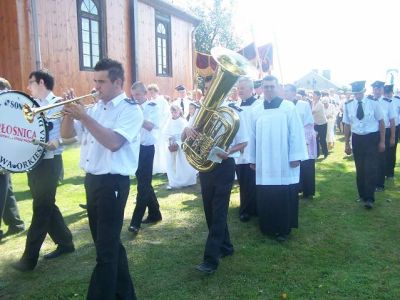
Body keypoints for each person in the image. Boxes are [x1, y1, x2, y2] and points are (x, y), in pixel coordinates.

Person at [61, 58, 141, 299]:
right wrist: (68, 111)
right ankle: (126, 294)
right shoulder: (94, 108)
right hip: (93, 182)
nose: (96, 86)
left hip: (113, 184)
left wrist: (84, 117)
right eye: (95, 81)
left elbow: (114, 143)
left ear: (117, 82)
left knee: (105, 252)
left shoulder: (130, 109)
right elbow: (66, 136)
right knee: (108, 245)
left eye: (101, 82)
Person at [12, 70, 74, 272]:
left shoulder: (58, 102)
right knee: (47, 205)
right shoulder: (32, 105)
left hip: (51, 161)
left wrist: (58, 141)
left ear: (41, 82)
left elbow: (69, 135)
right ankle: (66, 243)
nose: (28, 87)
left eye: (30, 83)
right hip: (35, 162)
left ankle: (29, 258)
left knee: (41, 208)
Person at [182, 95, 248, 274]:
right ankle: (226, 246)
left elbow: (244, 142)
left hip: (224, 165)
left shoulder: (233, 112)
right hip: (205, 165)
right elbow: (185, 137)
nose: (210, 91)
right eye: (208, 88)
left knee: (219, 211)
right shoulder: (202, 111)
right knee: (210, 210)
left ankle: (211, 259)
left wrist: (229, 150)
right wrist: (187, 129)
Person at [249, 76, 307, 242]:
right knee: (266, 192)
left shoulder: (288, 107)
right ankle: (267, 226)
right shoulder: (257, 109)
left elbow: (296, 133)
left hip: (283, 160)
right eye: (265, 87)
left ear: (278, 87)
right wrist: (253, 159)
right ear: (261, 88)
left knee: (283, 193)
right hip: (264, 161)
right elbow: (252, 136)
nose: (268, 90)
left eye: (271, 87)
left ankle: (283, 228)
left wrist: (296, 156)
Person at [343, 81, 385, 209]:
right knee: (360, 168)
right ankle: (362, 195)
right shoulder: (348, 105)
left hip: (371, 138)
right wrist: (346, 143)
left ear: (364, 91)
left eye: (359, 92)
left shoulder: (373, 103)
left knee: (370, 168)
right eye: (355, 93)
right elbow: (347, 124)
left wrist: (382, 141)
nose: (357, 95)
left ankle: (370, 198)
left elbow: (381, 122)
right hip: (357, 139)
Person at [129, 81, 162, 235]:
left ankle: (135, 222)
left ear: (145, 94)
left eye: (138, 95)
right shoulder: (132, 107)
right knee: (144, 183)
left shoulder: (152, 106)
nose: (135, 98)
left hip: (147, 149)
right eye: (133, 95)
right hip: (135, 149)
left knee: (142, 185)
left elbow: (150, 126)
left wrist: (135, 116)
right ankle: (155, 213)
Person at [0, 78, 25, 241]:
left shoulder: (9, 106)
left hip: (4, 153)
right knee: (5, 189)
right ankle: (15, 223)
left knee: (2, 188)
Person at [284, 84, 317, 201]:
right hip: (289, 140)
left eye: (287, 91)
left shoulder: (304, 105)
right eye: (284, 91)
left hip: (304, 138)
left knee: (306, 165)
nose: (285, 93)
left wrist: (304, 140)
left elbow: (309, 123)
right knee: (293, 164)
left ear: (294, 93)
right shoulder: (283, 106)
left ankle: (308, 192)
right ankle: (296, 188)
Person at [235, 77, 259, 222]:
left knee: (254, 180)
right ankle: (245, 209)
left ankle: (255, 207)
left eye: (243, 88)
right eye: (238, 88)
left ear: (251, 89)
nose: (240, 91)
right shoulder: (235, 105)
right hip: (239, 148)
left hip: (253, 147)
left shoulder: (258, 105)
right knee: (243, 180)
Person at [370, 81, 396, 191]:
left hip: (384, 133)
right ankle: (371, 181)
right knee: (371, 158)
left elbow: (392, 120)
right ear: (372, 90)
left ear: (382, 90)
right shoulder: (368, 102)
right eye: (375, 89)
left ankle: (379, 184)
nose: (377, 91)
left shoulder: (388, 102)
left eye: (379, 89)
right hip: (371, 133)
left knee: (381, 158)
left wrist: (393, 137)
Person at [164, 105, 197, 189]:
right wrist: (170, 139)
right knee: (172, 164)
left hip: (181, 146)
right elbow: (166, 133)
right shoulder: (169, 121)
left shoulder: (182, 121)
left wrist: (178, 143)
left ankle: (186, 180)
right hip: (172, 145)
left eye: (175, 112)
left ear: (179, 111)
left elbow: (185, 134)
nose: (173, 114)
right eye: (172, 112)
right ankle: (174, 181)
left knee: (182, 164)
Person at [148, 83, 170, 175]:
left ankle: (162, 167)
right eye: (150, 92)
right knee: (155, 147)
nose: (151, 94)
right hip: (153, 128)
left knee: (161, 147)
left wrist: (159, 124)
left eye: (152, 92)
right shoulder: (150, 102)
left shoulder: (162, 101)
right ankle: (155, 166)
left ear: (156, 91)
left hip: (160, 128)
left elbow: (166, 113)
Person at [312, 90, 329, 158]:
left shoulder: (320, 104)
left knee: (322, 139)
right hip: (316, 124)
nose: (312, 96)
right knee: (315, 139)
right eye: (313, 95)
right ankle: (317, 153)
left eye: (314, 95)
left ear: (318, 96)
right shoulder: (313, 103)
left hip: (322, 124)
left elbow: (313, 112)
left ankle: (325, 153)